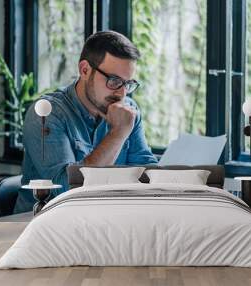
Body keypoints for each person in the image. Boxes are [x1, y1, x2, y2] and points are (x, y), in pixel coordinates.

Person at [15, 31, 157, 213]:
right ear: (84, 70)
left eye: (128, 83)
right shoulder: (46, 114)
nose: (122, 93)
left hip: (100, 221)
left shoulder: (128, 111)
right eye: (114, 81)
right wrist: (117, 133)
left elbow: (147, 174)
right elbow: (66, 190)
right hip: (40, 224)